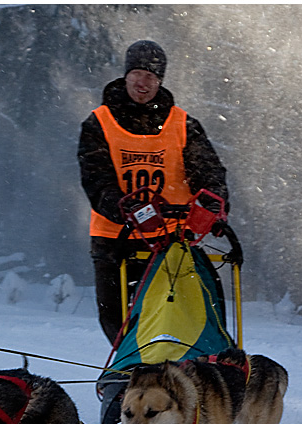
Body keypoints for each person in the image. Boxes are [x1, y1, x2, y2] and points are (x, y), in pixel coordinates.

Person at [78, 40, 230, 344]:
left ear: (160, 81)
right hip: (114, 238)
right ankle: (131, 370)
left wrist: (213, 204)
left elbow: (210, 173)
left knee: (179, 313)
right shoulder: (99, 122)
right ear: (125, 76)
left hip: (170, 238)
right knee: (116, 319)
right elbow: (96, 179)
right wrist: (125, 208)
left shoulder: (184, 124)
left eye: (151, 76)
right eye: (136, 74)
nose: (142, 82)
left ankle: (179, 368)